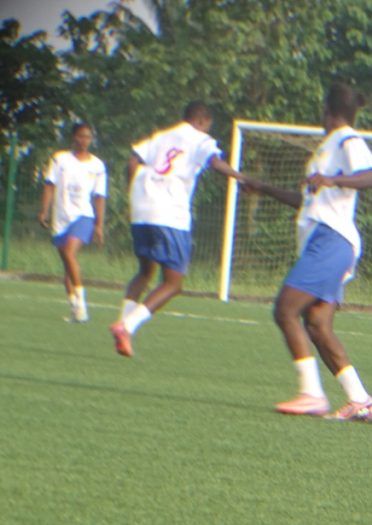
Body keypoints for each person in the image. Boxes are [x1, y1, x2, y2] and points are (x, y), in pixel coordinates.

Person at [243, 82, 372, 421]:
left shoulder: (347, 138)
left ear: (328, 112)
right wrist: (263, 188)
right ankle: (360, 400)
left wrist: (334, 180)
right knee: (318, 324)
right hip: (326, 241)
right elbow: (308, 201)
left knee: (285, 310)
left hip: (331, 240)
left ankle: (312, 394)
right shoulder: (327, 148)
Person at [108, 101, 247, 357]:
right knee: (173, 283)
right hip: (170, 214)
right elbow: (215, 162)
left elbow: (132, 161)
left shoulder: (161, 135)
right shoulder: (201, 139)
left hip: (141, 209)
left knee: (145, 271)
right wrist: (240, 177)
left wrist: (135, 192)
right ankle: (127, 326)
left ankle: (125, 328)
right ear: (202, 121)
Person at [37, 122, 107, 323]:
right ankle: (74, 307)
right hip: (61, 218)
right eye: (80, 136)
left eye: (88, 137)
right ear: (73, 137)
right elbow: (49, 185)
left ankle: (82, 305)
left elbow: (100, 196)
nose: (84, 140)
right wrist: (44, 210)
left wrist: (99, 225)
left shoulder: (97, 166)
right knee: (67, 264)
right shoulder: (60, 159)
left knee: (69, 253)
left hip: (83, 216)